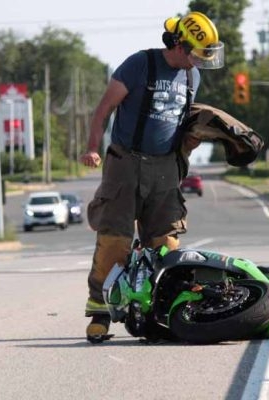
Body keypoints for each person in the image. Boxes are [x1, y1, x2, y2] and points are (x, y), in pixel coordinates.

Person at [79, 11, 224, 343]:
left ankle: (161, 314)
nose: (200, 63)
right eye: (197, 55)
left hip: (164, 170)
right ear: (179, 45)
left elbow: (181, 123)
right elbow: (103, 109)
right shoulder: (139, 65)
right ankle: (99, 311)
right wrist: (92, 148)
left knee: (165, 246)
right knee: (114, 242)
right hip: (125, 164)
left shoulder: (192, 78)